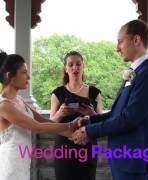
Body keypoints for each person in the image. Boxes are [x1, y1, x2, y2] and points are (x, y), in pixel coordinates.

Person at [71, 20, 148, 180]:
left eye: (120, 41)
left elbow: (129, 119)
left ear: (136, 40)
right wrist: (89, 120)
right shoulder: (135, 72)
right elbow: (117, 113)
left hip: (135, 163)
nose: (117, 48)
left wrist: (89, 132)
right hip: (123, 160)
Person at [0, 50, 79, 180]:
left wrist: (73, 133)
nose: (29, 77)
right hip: (9, 167)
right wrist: (71, 125)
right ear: (10, 76)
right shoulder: (4, 105)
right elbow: (37, 127)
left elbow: (42, 121)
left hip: (22, 164)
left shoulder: (18, 100)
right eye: (24, 72)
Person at [50, 51, 103, 180]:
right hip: (64, 147)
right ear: (66, 68)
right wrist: (60, 113)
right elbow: (51, 124)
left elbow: (102, 124)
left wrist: (92, 114)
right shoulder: (58, 93)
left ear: (83, 66)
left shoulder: (94, 93)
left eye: (78, 64)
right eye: (71, 64)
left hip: (88, 146)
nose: (75, 67)